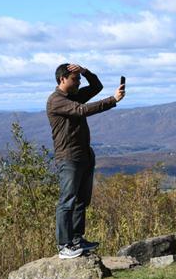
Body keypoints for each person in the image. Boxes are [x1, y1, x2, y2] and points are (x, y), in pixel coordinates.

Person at [46, 63, 125, 259]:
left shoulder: (73, 96)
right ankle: (64, 245)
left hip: (84, 155)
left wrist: (85, 71)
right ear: (62, 79)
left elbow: (96, 87)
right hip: (69, 157)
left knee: (81, 200)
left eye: (79, 79)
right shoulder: (56, 100)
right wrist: (113, 100)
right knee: (67, 201)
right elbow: (82, 110)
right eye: (75, 79)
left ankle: (76, 239)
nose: (79, 82)